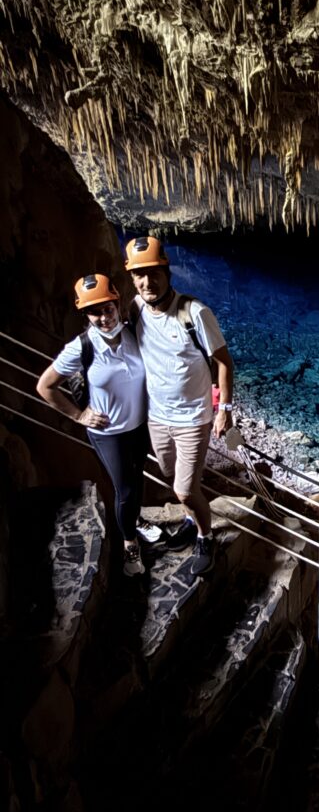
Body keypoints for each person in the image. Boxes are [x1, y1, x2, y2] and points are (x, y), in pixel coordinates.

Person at [124, 236, 234, 577]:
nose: (147, 282)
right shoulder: (135, 309)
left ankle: (205, 537)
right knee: (171, 476)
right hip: (157, 416)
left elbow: (224, 362)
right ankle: (190, 517)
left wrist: (225, 409)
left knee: (184, 490)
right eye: (139, 275)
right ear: (132, 278)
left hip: (192, 418)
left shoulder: (194, 313)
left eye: (153, 273)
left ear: (167, 272)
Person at [37, 274, 148, 576]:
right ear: (85, 315)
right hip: (108, 433)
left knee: (137, 479)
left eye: (108, 309)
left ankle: (134, 520)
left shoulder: (133, 334)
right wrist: (78, 415)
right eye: (94, 312)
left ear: (117, 304)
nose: (103, 317)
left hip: (139, 426)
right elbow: (45, 386)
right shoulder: (82, 347)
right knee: (125, 489)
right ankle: (130, 545)